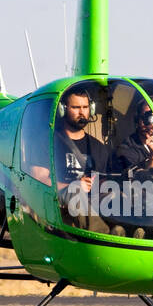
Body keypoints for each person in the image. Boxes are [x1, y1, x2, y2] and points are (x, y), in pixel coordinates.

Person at [53, 85, 110, 228]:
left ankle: (125, 233)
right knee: (76, 191)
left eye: (85, 107)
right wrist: (74, 185)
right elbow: (39, 181)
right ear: (63, 110)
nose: (82, 112)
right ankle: (103, 236)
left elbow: (104, 179)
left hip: (92, 202)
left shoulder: (99, 148)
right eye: (76, 108)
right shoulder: (51, 143)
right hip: (60, 204)